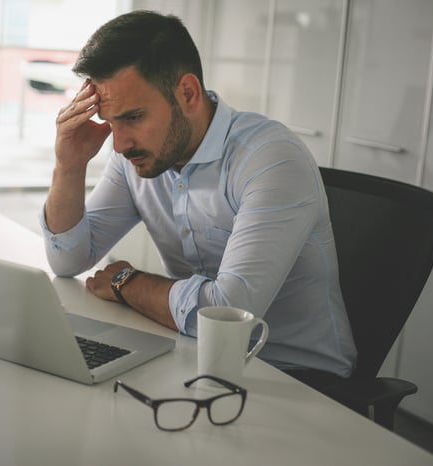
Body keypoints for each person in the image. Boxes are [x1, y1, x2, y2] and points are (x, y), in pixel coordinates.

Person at [39, 10, 357, 384]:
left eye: (133, 117)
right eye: (110, 123)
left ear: (187, 93)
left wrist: (127, 282)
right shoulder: (137, 157)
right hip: (196, 358)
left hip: (297, 380)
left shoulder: (270, 159)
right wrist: (69, 166)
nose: (119, 143)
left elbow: (226, 312)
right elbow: (68, 259)